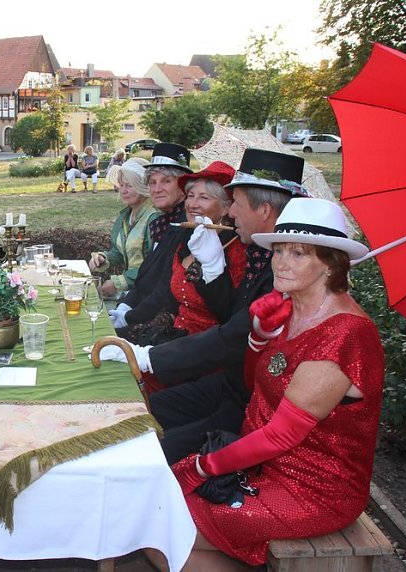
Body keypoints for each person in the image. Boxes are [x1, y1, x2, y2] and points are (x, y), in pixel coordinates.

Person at [158, 198, 382, 570]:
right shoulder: (291, 309)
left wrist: (203, 466)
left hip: (313, 487)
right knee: (162, 526)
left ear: (330, 263)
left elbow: (281, 436)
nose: (280, 261)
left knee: (162, 527)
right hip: (260, 464)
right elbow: (254, 387)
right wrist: (258, 339)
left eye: (298, 253)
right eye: (279, 250)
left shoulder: (346, 335)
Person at [101, 150, 309, 462]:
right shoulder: (267, 255)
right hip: (226, 385)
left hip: (247, 407)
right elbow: (224, 316)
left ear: (264, 210)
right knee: (125, 412)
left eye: (235, 202)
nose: (233, 212)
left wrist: (148, 357)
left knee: (145, 449)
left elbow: (232, 335)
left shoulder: (277, 268)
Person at [121, 161, 245, 349]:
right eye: (191, 196)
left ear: (226, 207)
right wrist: (143, 329)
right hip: (174, 335)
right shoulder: (186, 240)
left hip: (204, 349)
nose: (193, 205)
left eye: (203, 198)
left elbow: (227, 314)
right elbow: (168, 298)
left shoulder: (236, 250)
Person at [108, 143, 194, 343]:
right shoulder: (163, 222)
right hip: (140, 310)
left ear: (183, 186)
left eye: (166, 181)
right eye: (152, 182)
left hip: (166, 326)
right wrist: (124, 306)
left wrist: (128, 316)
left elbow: (166, 289)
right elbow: (145, 279)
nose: (157, 189)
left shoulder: (185, 226)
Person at [88, 157, 157, 297]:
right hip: (133, 293)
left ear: (143, 186)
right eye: (122, 185)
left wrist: (119, 283)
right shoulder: (126, 216)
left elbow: (154, 265)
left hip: (150, 294)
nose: (124, 190)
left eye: (130, 185)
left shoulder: (153, 218)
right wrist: (103, 258)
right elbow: (120, 252)